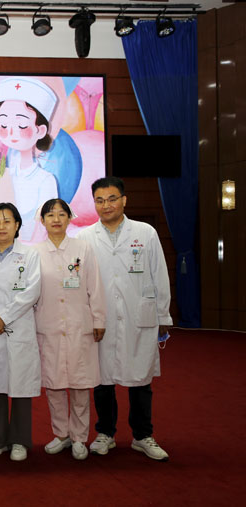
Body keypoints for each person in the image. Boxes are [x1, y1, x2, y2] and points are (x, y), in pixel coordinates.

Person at [77, 176, 172, 461]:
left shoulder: (145, 233)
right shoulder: (84, 238)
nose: (106, 205)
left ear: (124, 200)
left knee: (140, 378)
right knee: (102, 380)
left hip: (137, 316)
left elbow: (160, 275)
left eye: (112, 199)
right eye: (99, 200)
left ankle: (142, 436)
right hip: (101, 319)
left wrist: (163, 315)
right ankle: (105, 433)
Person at [34, 198, 105, 461]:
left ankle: (79, 437)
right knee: (54, 385)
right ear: (42, 220)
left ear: (69, 218)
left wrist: (99, 320)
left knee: (79, 385)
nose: (56, 219)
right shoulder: (34, 253)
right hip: (48, 326)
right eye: (50, 215)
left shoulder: (82, 249)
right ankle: (61, 434)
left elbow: (95, 287)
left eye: (61, 214)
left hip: (79, 325)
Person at [0, 202, 41, 462]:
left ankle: (20, 441)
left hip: (18, 327)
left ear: (17, 225)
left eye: (7, 221)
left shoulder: (30, 255)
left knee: (21, 386)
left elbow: (32, 291)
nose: (2, 226)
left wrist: (3, 316)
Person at [0, 76, 59, 241]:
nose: (11, 132)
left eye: (21, 125)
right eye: (4, 124)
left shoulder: (45, 180)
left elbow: (45, 225)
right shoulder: (0, 176)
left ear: (40, 130)